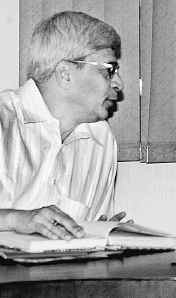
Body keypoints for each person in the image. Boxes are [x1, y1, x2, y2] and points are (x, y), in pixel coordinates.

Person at [0, 11, 126, 240]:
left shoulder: (101, 138)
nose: (119, 83)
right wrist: (16, 219)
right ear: (65, 74)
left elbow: (86, 228)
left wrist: (101, 232)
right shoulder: (4, 120)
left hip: (60, 273)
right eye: (109, 70)